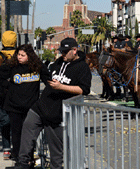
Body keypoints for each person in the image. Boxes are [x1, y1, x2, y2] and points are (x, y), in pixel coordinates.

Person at [15, 38, 92, 169]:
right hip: (40, 107)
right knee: (27, 133)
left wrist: (61, 86)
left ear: (74, 50)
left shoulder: (83, 67)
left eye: (65, 52)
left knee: (56, 152)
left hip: (58, 114)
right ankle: (23, 163)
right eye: (61, 51)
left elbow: (83, 90)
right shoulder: (58, 62)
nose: (62, 54)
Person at [0, 44, 51, 163]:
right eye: (18, 54)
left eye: (23, 55)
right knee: (16, 134)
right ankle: (18, 159)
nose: (19, 57)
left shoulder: (38, 67)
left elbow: (48, 81)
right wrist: (8, 85)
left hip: (31, 107)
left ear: (30, 56)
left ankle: (29, 158)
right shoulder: (11, 66)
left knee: (29, 135)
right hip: (14, 106)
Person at [0, 30, 17, 160]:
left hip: (1, 93)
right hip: (16, 92)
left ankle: (6, 148)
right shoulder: (19, 55)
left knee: (4, 119)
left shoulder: (0, 56)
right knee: (16, 120)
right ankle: (17, 147)